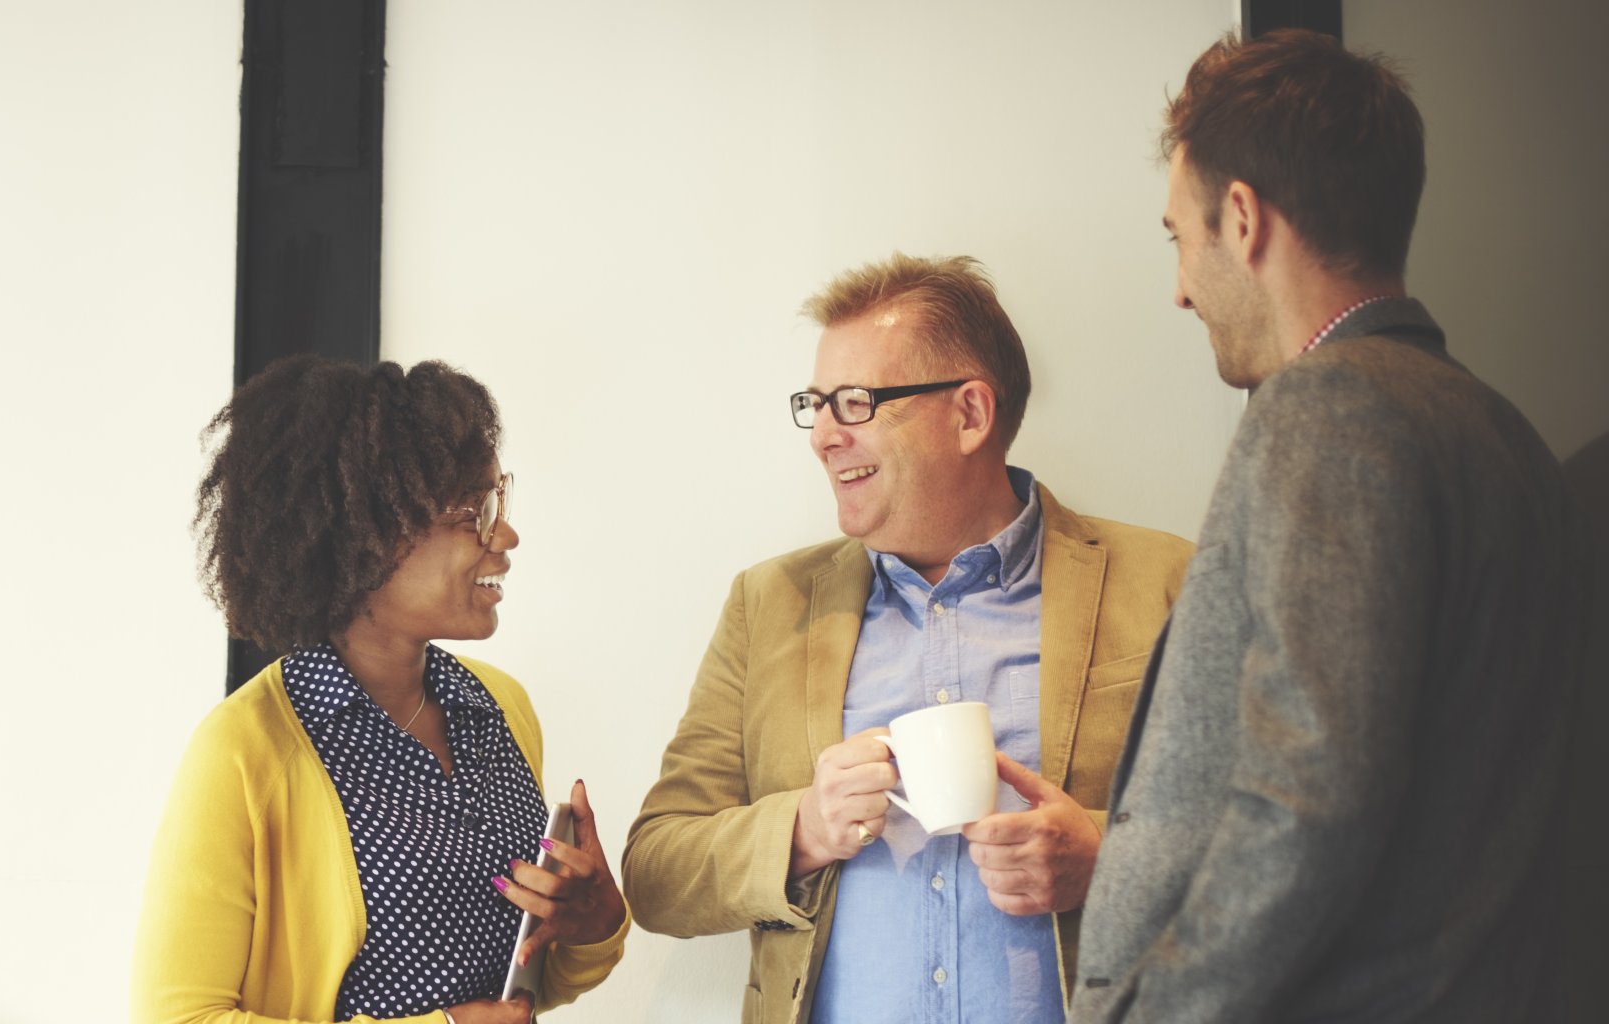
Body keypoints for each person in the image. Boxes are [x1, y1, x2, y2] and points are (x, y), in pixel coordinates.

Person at [1071, 30, 1586, 1022]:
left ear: (1241, 218)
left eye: (1178, 237)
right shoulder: (1504, 432)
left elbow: (1308, 796)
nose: (1179, 287)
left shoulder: (1327, 408)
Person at [625, 253, 1192, 1024]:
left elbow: (1273, 838)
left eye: (855, 403)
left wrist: (1107, 860)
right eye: (816, 405)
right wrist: (803, 829)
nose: (823, 436)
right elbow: (657, 872)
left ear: (970, 415)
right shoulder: (768, 605)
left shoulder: (1168, 583)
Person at [132, 356, 628, 1024]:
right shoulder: (243, 754)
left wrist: (595, 925)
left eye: (500, 501)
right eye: (474, 512)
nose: (505, 535)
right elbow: (177, 1017)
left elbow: (515, 985)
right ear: (367, 535)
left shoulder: (501, 709)